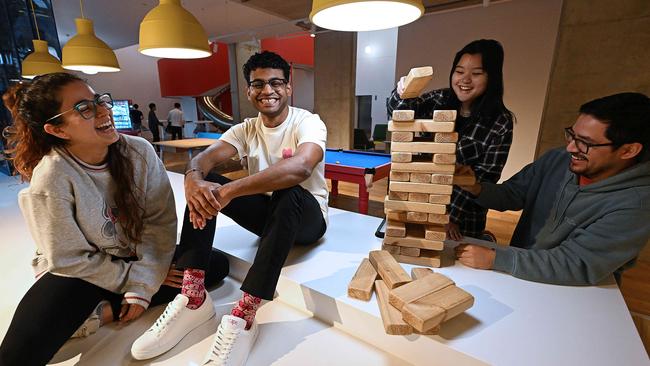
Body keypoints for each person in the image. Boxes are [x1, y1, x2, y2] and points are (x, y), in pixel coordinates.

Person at [0, 73, 229, 366]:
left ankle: (102, 311)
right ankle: (102, 311)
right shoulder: (52, 176)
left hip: (132, 255)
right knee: (16, 356)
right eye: (84, 108)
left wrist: (144, 281)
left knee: (213, 265)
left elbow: (159, 224)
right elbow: (68, 259)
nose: (104, 110)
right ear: (57, 129)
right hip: (82, 273)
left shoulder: (139, 152)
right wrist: (136, 282)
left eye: (99, 100)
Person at [131, 51, 328, 365]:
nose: (268, 90)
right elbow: (202, 160)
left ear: (288, 88)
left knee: (287, 186)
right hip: (270, 218)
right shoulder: (246, 129)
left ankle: (246, 311)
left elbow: (302, 167)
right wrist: (194, 179)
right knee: (207, 182)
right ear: (249, 91)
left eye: (276, 82)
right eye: (258, 84)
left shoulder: (307, 122)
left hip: (307, 220)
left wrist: (230, 191)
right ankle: (193, 294)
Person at [454, 92, 650, 285]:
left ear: (628, 150)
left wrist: (497, 259)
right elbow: (513, 194)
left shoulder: (637, 203)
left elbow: (577, 263)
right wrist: (475, 187)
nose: (571, 148)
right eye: (571, 135)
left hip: (575, 291)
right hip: (522, 273)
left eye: (585, 143)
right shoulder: (558, 160)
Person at [387, 39, 515, 241]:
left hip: (463, 219)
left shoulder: (500, 122)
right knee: (409, 244)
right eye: (459, 71)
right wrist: (401, 93)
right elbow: (398, 114)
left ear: (492, 77)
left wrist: (450, 215)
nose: (465, 79)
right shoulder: (440, 99)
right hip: (418, 199)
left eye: (476, 73)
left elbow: (484, 178)